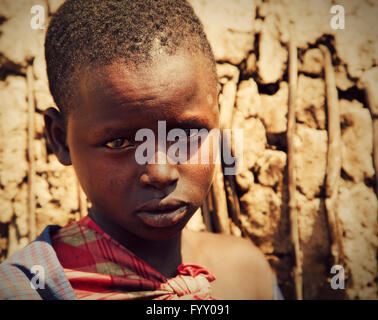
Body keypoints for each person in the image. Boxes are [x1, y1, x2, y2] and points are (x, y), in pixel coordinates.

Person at [0, 0, 283, 300]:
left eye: (185, 133)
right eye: (119, 142)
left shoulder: (246, 273)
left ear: (216, 113)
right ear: (59, 139)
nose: (160, 173)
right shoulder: (26, 290)